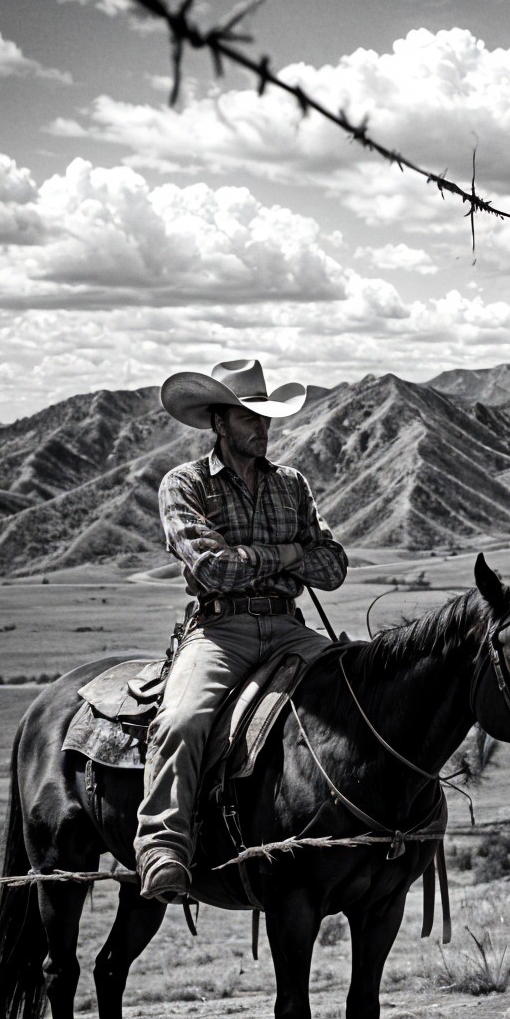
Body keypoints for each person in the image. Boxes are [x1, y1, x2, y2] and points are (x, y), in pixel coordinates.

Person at [134, 359, 347, 904]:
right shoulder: (182, 486)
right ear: (219, 423)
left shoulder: (291, 485)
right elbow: (211, 570)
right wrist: (290, 554)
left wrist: (267, 558)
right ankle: (163, 846)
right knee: (181, 720)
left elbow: (334, 568)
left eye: (266, 417)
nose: (262, 428)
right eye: (248, 417)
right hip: (220, 629)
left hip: (287, 626)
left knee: (361, 690)